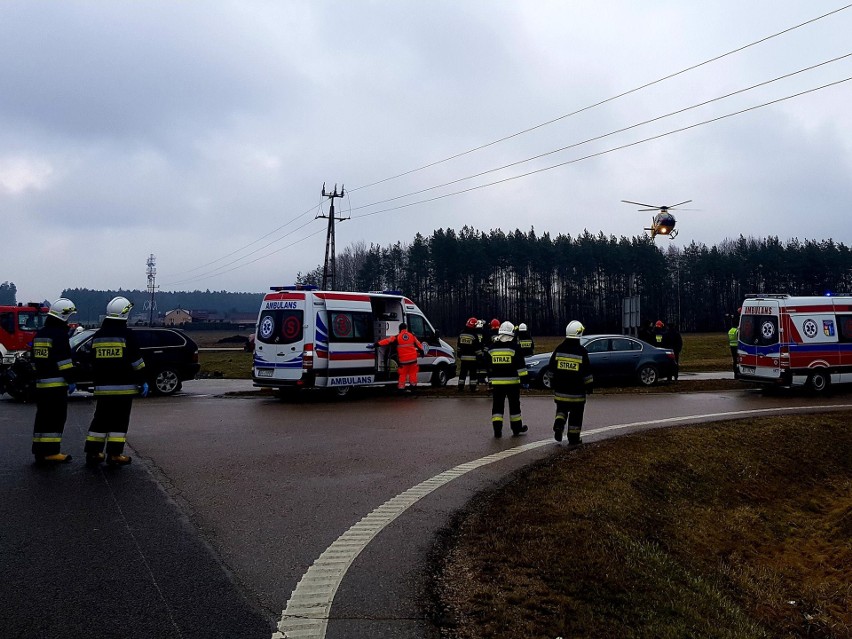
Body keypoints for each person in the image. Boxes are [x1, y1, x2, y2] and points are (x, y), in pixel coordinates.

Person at [84, 296, 147, 467]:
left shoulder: (98, 336)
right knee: (119, 421)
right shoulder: (127, 335)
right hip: (124, 389)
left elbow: (92, 362)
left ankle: (93, 452)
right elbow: (137, 362)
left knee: (100, 419)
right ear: (125, 314)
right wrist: (143, 381)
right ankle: (114, 454)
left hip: (103, 388)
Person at [31, 298, 78, 464]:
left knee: (42, 418)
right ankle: (51, 452)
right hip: (56, 386)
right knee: (55, 419)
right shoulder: (59, 335)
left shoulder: (41, 334)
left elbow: (34, 359)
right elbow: (64, 361)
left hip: (41, 384)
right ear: (63, 316)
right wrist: (71, 379)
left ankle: (39, 451)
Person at [549, 320, 594, 448]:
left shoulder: (559, 349)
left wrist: (553, 383)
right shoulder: (581, 352)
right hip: (577, 393)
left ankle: (559, 423)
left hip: (561, 391)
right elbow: (587, 373)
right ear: (579, 334)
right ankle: (573, 439)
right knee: (576, 415)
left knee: (562, 409)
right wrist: (589, 387)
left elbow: (551, 368)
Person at [487, 321, 529, 438]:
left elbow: (488, 366)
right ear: (511, 334)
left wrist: (490, 380)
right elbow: (521, 367)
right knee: (514, 406)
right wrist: (525, 381)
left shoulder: (492, 348)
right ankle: (516, 429)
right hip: (512, 383)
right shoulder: (515, 348)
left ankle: (497, 430)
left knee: (497, 406)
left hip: (497, 384)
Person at [374, 322, 425, 393]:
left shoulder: (397, 337)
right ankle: (413, 387)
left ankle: (401, 388)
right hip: (413, 359)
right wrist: (422, 351)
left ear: (399, 329)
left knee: (403, 374)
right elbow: (418, 344)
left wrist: (377, 344)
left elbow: (387, 341)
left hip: (403, 361)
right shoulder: (411, 336)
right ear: (406, 328)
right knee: (412, 373)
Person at [456, 317, 481, 391]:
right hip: (472, 359)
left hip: (463, 358)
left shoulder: (461, 334)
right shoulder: (474, 335)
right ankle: (473, 388)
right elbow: (477, 348)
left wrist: (459, 354)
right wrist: (479, 356)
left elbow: (459, 346)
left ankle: (460, 387)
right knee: (473, 374)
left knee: (462, 373)